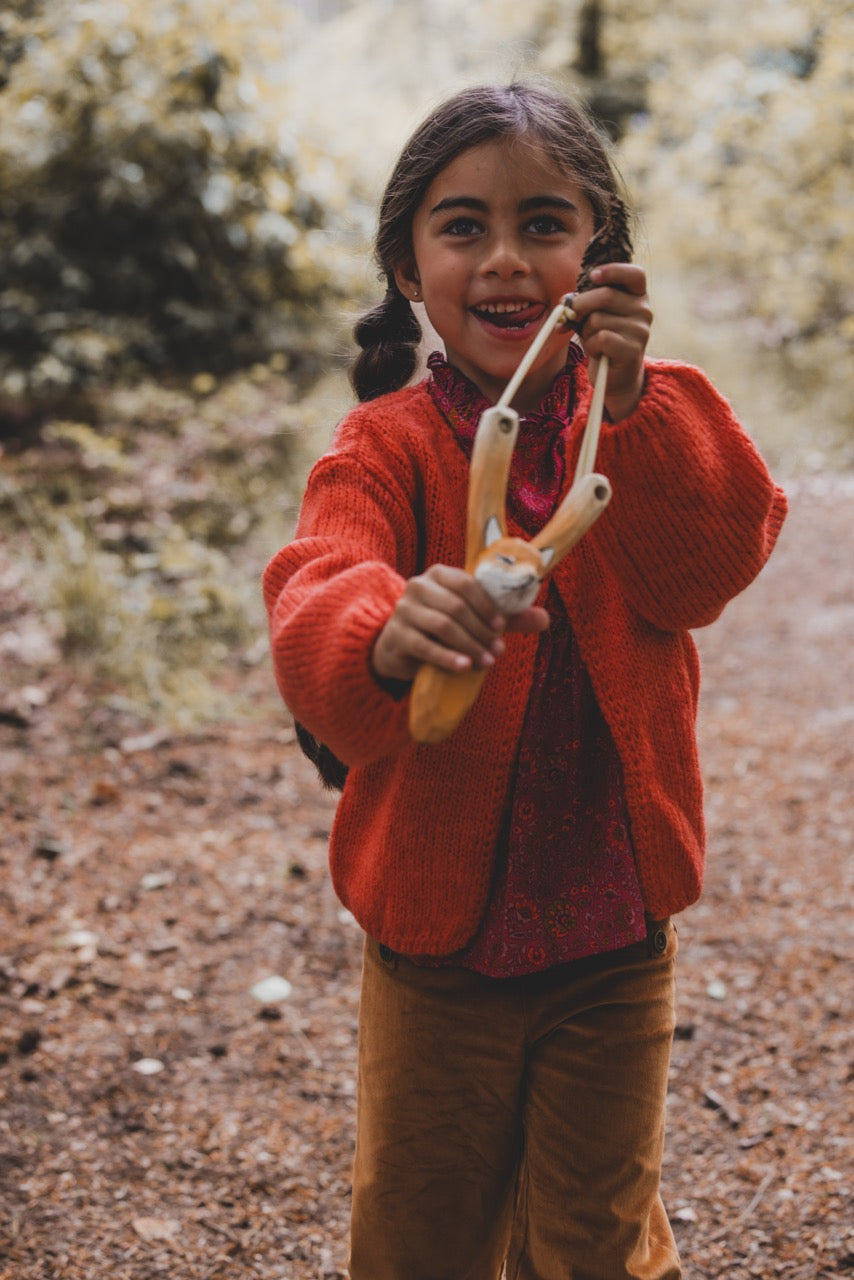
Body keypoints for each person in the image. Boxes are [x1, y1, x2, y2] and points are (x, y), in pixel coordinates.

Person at [262, 82, 787, 1280]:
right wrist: (386, 630)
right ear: (406, 263)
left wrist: (639, 403)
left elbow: (710, 564)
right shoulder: (382, 447)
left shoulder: (648, 414)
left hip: (612, 927)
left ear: (597, 254)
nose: (506, 261)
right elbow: (313, 588)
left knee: (594, 1240)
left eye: (544, 225)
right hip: (436, 946)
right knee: (421, 1229)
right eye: (462, 228)